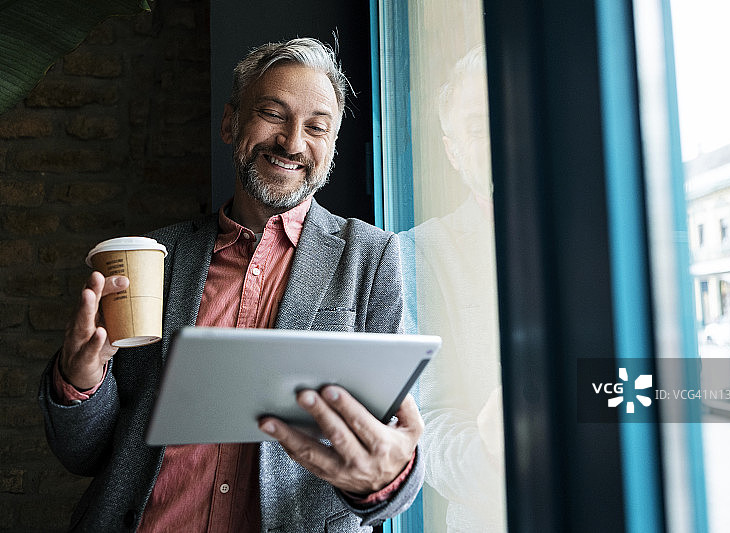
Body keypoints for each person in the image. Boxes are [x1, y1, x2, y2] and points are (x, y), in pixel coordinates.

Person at [38, 37, 424, 532]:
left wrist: (387, 477)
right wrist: (79, 382)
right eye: (273, 113)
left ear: (330, 147)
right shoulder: (156, 259)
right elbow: (84, 454)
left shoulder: (372, 260)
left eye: (316, 127)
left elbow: (401, 458)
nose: (291, 142)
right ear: (230, 122)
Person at [399, 45, 506, 532]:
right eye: (480, 128)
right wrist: (501, 456)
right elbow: (429, 427)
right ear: (452, 150)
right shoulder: (422, 252)